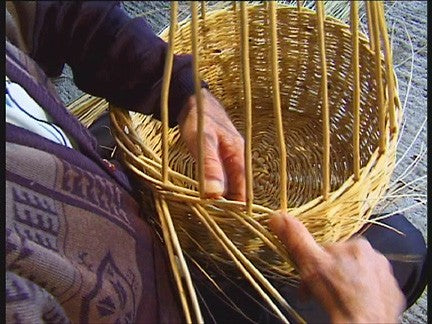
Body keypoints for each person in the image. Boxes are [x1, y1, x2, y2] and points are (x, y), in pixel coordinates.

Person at [5, 2, 427, 323]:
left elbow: (66, 14)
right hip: (163, 299)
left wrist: (186, 95)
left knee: (401, 244)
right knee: (405, 255)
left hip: (92, 171)